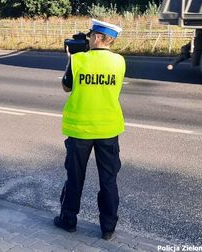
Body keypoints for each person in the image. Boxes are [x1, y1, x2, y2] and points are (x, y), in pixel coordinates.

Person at [54, 19, 126, 240]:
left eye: (90, 35)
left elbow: (67, 86)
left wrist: (70, 59)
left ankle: (68, 221)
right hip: (108, 129)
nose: (88, 39)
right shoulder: (120, 62)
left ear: (96, 37)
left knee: (75, 178)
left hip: (80, 131)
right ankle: (108, 229)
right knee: (108, 180)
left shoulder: (78, 60)